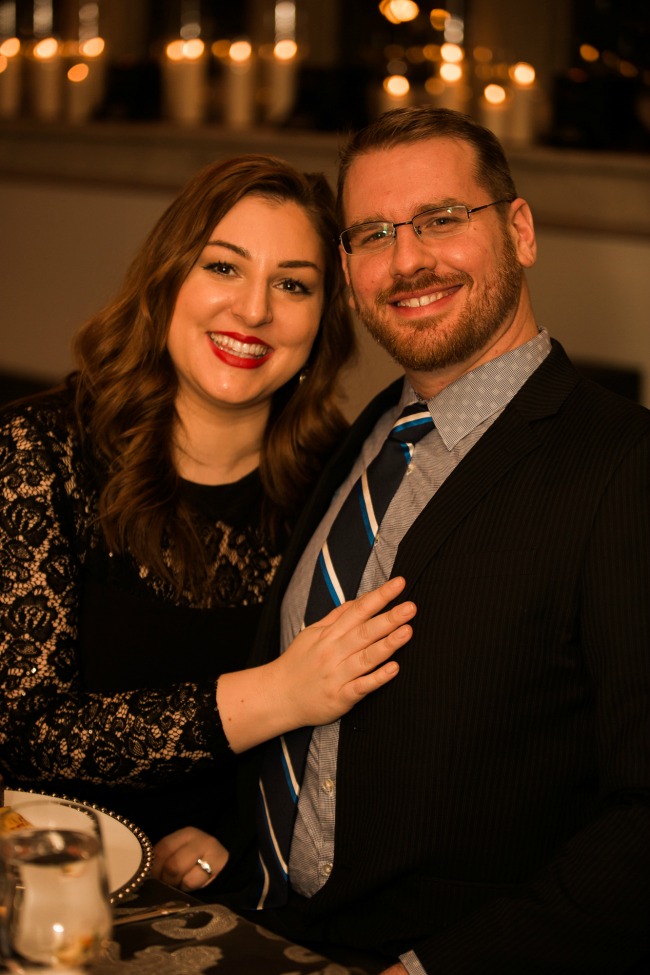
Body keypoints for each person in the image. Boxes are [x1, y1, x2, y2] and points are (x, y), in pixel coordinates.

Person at [214, 109, 648, 974]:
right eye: (374, 232)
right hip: (265, 931)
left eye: (443, 219)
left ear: (519, 231)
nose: (408, 259)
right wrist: (225, 838)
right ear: (346, 266)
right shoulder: (364, 435)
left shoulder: (624, 468)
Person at [0, 154, 416, 894]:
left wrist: (235, 833)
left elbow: (358, 733)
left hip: (244, 885)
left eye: (292, 284)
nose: (253, 310)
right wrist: (280, 691)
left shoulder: (341, 478)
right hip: (42, 887)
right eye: (224, 268)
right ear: (168, 280)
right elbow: (28, 733)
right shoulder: (37, 451)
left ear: (324, 318)